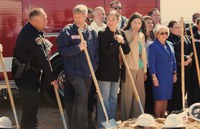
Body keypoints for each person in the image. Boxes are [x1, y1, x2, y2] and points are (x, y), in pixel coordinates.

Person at [11, 8, 57, 129]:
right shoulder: (30, 34)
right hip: (25, 75)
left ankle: (31, 126)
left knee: (33, 104)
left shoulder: (35, 31)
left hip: (31, 74)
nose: (47, 21)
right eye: (44, 19)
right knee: (30, 105)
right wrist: (52, 78)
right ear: (35, 20)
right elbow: (41, 58)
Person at [56, 4, 99, 129]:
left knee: (80, 99)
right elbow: (62, 51)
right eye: (75, 16)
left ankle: (74, 125)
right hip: (74, 72)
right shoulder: (67, 31)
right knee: (83, 95)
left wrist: (94, 67)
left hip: (88, 72)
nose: (77, 19)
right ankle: (83, 126)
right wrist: (78, 48)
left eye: (79, 16)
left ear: (85, 16)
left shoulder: (91, 32)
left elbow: (96, 52)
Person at [96, 10, 130, 128]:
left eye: (113, 19)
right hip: (104, 71)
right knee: (103, 99)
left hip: (116, 71)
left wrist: (123, 41)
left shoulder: (121, 33)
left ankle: (110, 122)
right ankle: (102, 124)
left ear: (118, 20)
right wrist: (117, 41)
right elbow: (106, 52)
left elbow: (127, 51)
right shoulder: (102, 33)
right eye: (108, 19)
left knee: (113, 97)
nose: (110, 22)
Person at [121, 12, 147, 120]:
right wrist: (133, 39)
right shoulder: (125, 33)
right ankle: (125, 118)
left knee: (140, 94)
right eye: (135, 22)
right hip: (129, 67)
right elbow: (126, 50)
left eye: (139, 23)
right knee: (127, 95)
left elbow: (143, 54)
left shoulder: (142, 35)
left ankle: (138, 117)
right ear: (130, 23)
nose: (137, 25)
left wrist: (145, 70)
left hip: (140, 68)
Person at [148, 24, 177, 118]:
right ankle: (157, 118)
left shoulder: (170, 44)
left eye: (166, 33)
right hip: (159, 76)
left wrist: (175, 73)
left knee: (166, 98)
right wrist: (154, 77)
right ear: (156, 34)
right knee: (159, 98)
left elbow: (173, 60)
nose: (164, 35)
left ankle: (163, 118)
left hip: (169, 75)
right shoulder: (153, 46)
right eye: (162, 33)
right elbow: (151, 63)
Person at [167, 20, 192, 113]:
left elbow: (191, 50)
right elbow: (172, 54)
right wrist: (184, 58)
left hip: (187, 67)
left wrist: (190, 57)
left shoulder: (185, 38)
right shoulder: (169, 39)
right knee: (176, 89)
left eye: (179, 27)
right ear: (170, 28)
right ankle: (173, 109)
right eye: (176, 27)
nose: (179, 29)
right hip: (175, 68)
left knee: (184, 87)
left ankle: (181, 108)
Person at [143, 16, 155, 115]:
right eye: (148, 23)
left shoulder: (153, 36)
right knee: (145, 90)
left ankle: (151, 111)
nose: (150, 24)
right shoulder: (142, 36)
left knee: (151, 90)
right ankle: (145, 112)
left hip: (153, 67)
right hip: (144, 67)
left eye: (151, 23)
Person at [189, 18, 200, 106]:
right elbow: (191, 52)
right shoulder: (193, 38)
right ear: (197, 25)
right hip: (196, 67)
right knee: (196, 87)